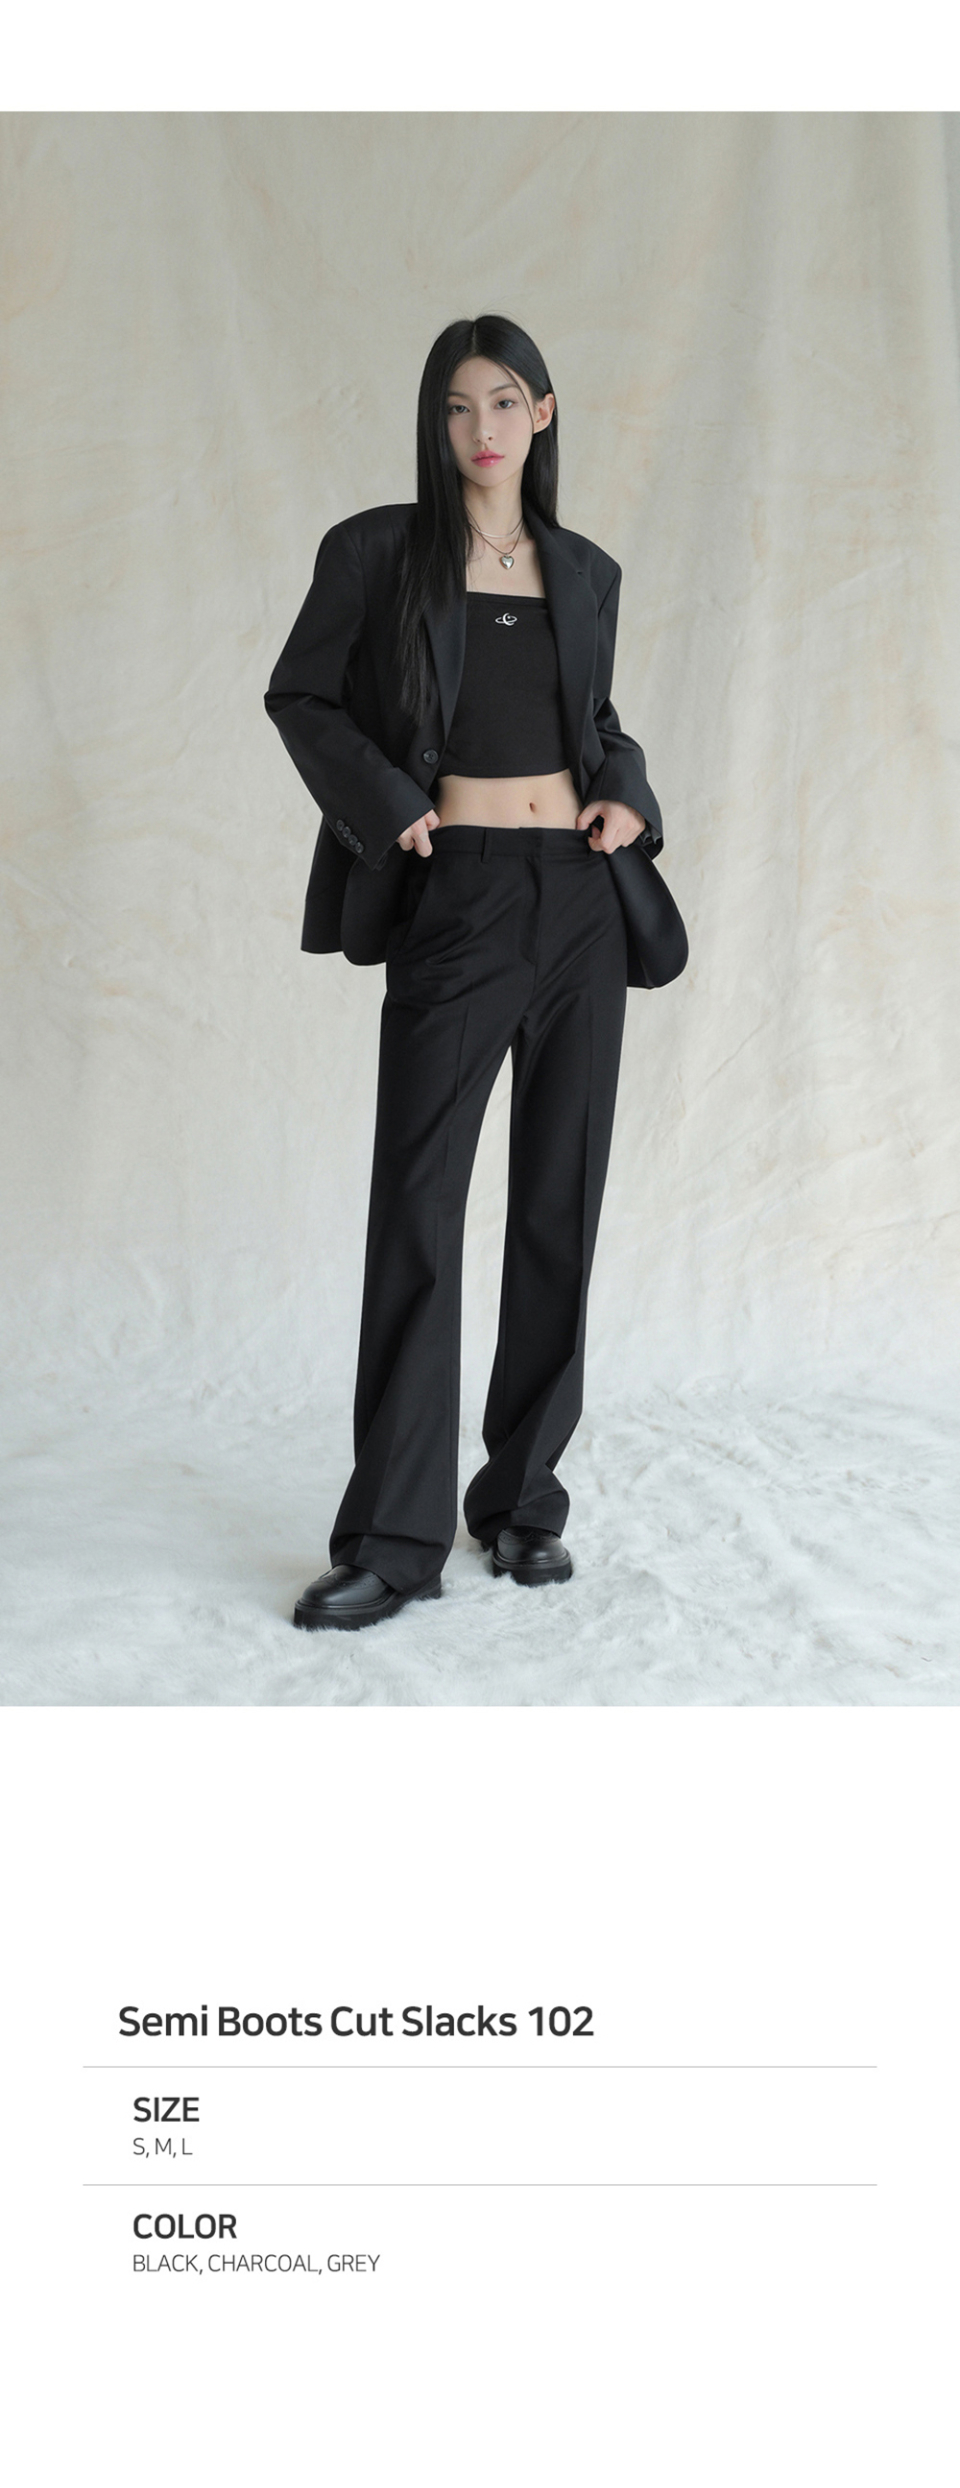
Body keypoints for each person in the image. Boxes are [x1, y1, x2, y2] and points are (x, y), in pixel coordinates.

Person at [265, 310, 685, 1630]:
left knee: (559, 1206)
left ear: (542, 414)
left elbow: (594, 722)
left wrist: (626, 791)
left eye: (504, 402)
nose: (481, 428)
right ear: (435, 421)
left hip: (580, 903)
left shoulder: (586, 571)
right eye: (457, 406)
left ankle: (521, 1504)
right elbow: (300, 696)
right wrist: (390, 803)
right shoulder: (378, 552)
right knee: (421, 1209)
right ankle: (394, 1538)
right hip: (456, 899)